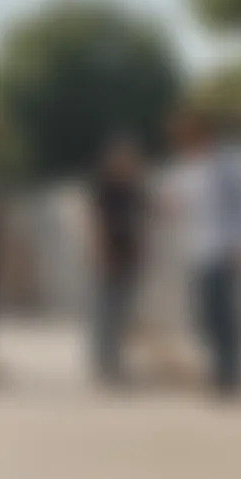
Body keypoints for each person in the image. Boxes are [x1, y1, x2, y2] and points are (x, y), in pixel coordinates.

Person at [169, 109, 241, 398]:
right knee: (205, 316)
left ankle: (231, 375)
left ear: (202, 131)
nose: (183, 139)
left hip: (225, 248)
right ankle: (219, 369)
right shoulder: (186, 168)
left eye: (187, 132)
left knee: (225, 315)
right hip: (197, 251)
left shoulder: (228, 163)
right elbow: (183, 207)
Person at [89, 139, 148, 385]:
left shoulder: (135, 190)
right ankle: (105, 362)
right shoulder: (106, 188)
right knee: (107, 310)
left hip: (130, 257)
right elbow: (96, 222)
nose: (127, 165)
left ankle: (116, 359)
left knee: (123, 312)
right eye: (123, 159)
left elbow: (143, 221)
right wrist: (101, 253)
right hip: (111, 256)